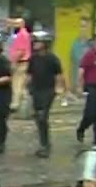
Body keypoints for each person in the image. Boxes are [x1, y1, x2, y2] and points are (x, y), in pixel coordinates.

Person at [26, 29, 66, 158]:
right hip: (35, 90)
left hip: (48, 91)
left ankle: (45, 145)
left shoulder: (52, 59)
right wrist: (25, 88)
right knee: (38, 118)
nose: (35, 44)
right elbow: (29, 74)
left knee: (43, 116)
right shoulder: (33, 58)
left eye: (38, 41)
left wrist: (60, 89)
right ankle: (44, 143)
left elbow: (59, 75)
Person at [7, 16, 31, 114]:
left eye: (16, 24)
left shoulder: (21, 35)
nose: (15, 26)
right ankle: (25, 106)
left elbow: (20, 51)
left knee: (17, 85)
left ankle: (15, 105)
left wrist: (13, 62)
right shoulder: (23, 34)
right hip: (23, 62)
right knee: (22, 86)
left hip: (20, 63)